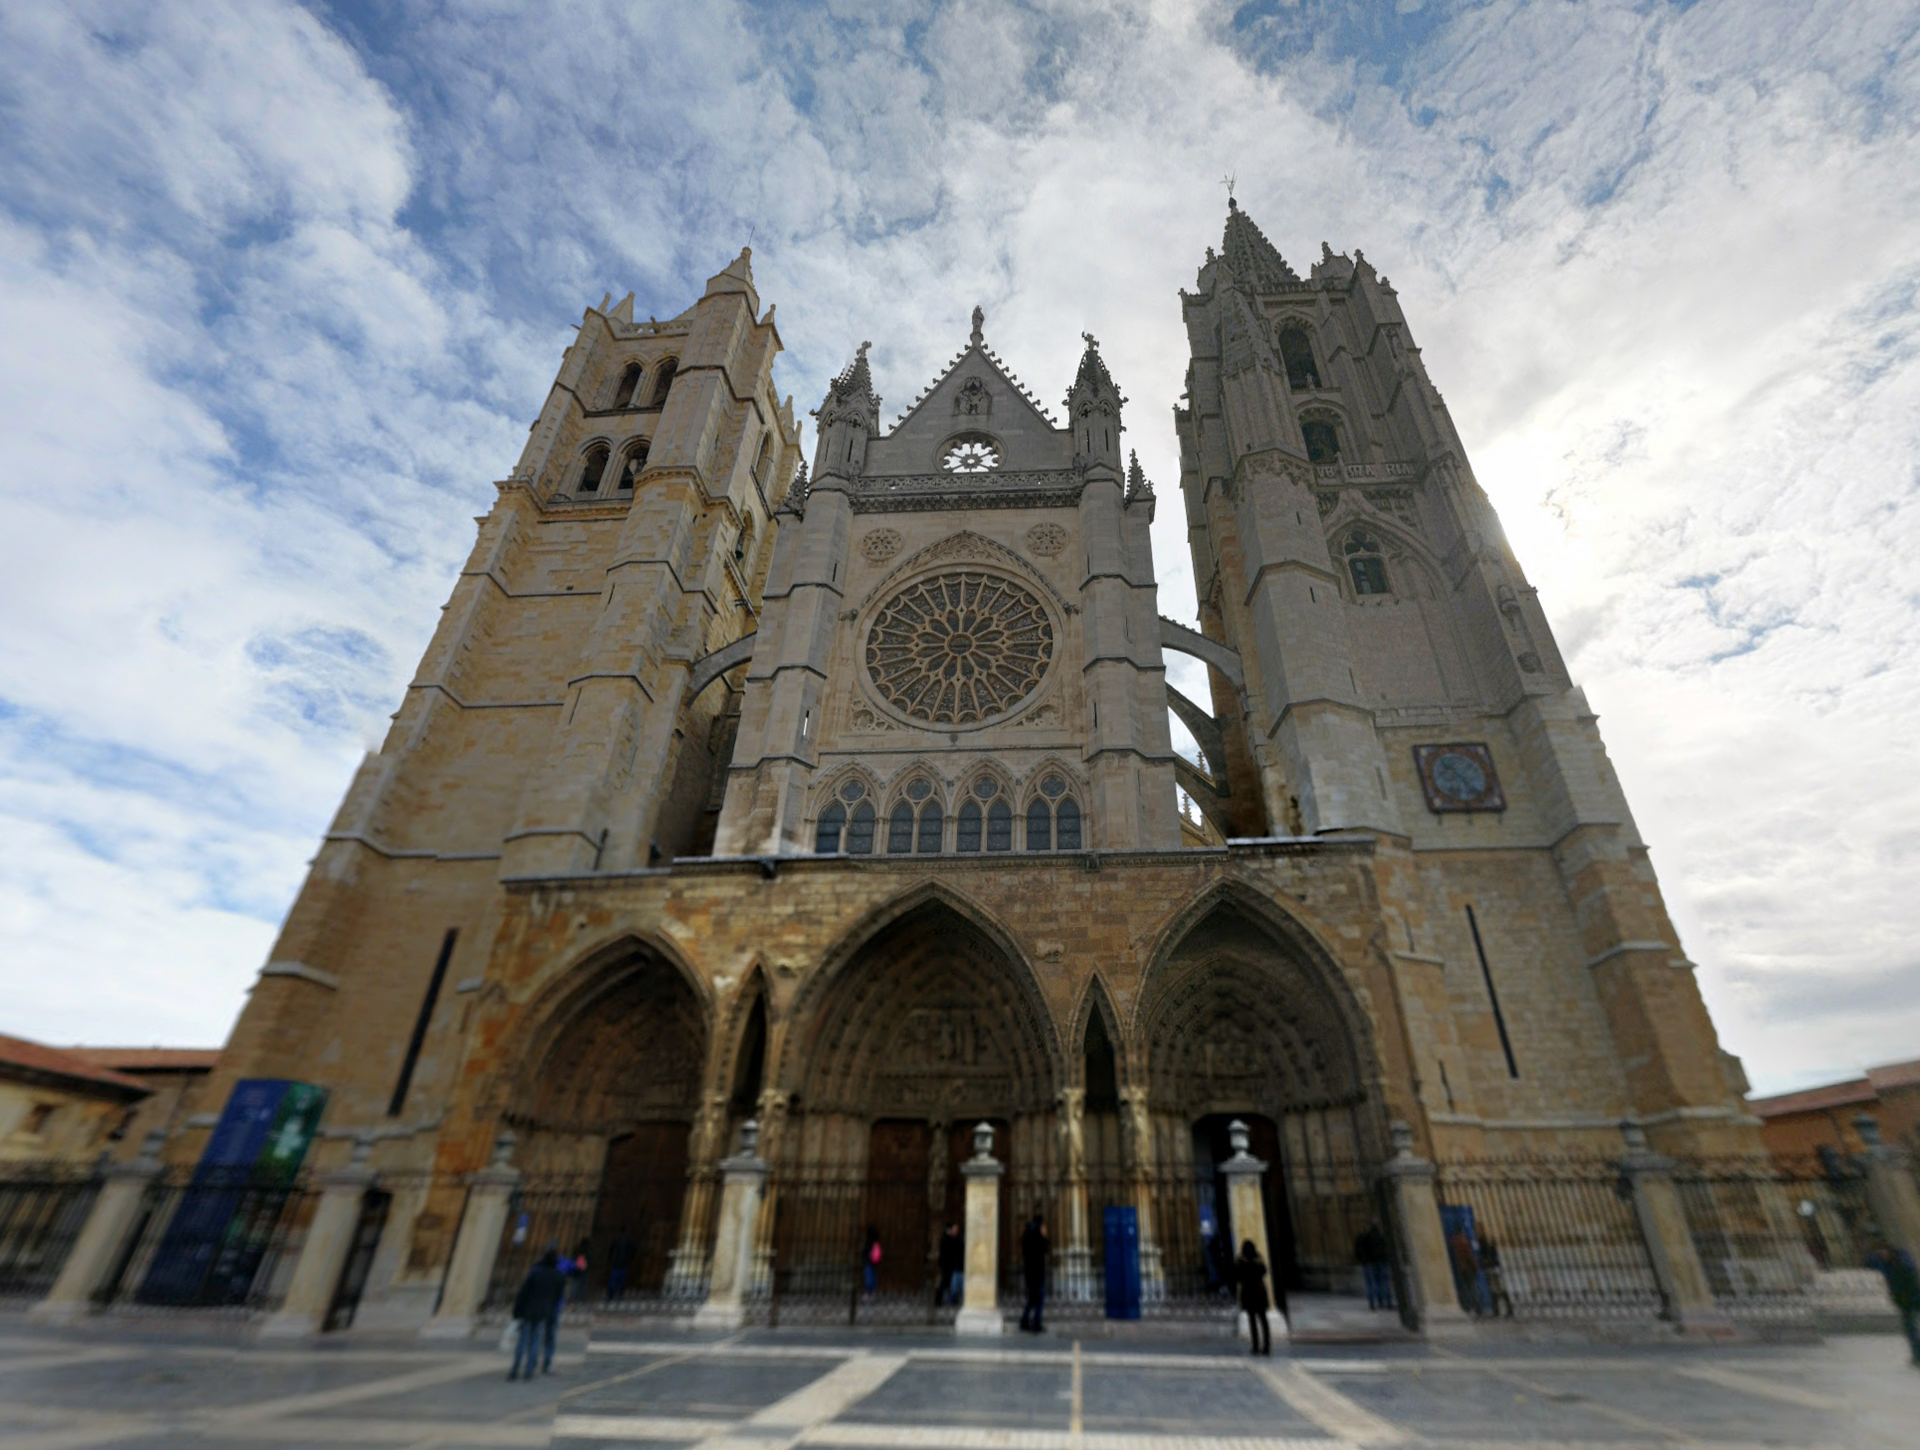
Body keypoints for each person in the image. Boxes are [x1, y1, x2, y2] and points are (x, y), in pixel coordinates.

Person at [509, 1249, 567, 1380]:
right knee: (536, 1340)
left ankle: (515, 1369)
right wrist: (551, 1311)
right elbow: (557, 1297)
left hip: (529, 1310)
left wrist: (517, 1311)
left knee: (523, 1341)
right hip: (544, 1312)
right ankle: (529, 1370)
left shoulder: (535, 1274)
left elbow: (523, 1294)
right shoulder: (559, 1277)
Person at [1866, 1240, 1920, 1365]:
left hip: (1913, 1301)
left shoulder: (1903, 1264)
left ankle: (1917, 1355)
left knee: (1912, 1329)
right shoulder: (1886, 1264)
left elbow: (1912, 1284)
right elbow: (1869, 1263)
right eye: (1880, 1254)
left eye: (1883, 1252)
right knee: (1910, 1330)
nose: (1882, 1255)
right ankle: (1917, 1356)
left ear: (1889, 1251)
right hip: (1903, 1303)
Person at [1236, 1239, 1272, 1355]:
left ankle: (1255, 1346)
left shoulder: (1241, 1261)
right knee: (1263, 1320)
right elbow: (1264, 1271)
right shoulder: (1259, 1260)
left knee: (1252, 1321)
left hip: (1248, 1293)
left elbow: (1237, 1276)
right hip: (1259, 1292)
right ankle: (1266, 1346)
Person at [1448, 1224, 1489, 1316]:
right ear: (1462, 1231)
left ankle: (1467, 1306)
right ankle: (1478, 1308)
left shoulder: (1454, 1241)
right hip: (1468, 1268)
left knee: (1465, 1288)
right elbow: (1468, 1255)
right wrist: (1475, 1265)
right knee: (1473, 1288)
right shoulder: (1463, 1241)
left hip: (1460, 1268)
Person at [1019, 1212, 1050, 1332]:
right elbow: (1045, 1249)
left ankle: (1024, 1321)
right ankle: (1036, 1324)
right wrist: (1045, 1236)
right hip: (1038, 1273)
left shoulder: (1027, 1234)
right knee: (1039, 1300)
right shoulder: (1038, 1236)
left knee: (1032, 1299)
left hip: (1029, 1273)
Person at [1354, 1220, 1394, 1310]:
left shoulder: (1366, 1237)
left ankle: (1375, 1303)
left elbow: (1362, 1250)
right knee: (1385, 1282)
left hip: (1371, 1262)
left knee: (1374, 1283)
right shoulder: (1382, 1236)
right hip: (1382, 1261)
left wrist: (1364, 1260)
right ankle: (1388, 1302)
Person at [1479, 1235, 1514, 1318]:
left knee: (1497, 1289)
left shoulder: (1487, 1247)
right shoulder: (1488, 1247)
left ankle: (1504, 1309)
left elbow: (1491, 1259)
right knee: (1495, 1290)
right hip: (1492, 1269)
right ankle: (1499, 1309)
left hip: (1492, 1269)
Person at [935, 1222, 964, 1307]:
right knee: (943, 1282)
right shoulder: (947, 1239)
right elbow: (945, 1254)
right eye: (955, 1229)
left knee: (950, 1283)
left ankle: (951, 1300)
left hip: (953, 1265)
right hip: (946, 1265)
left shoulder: (955, 1238)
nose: (956, 1231)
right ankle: (938, 1300)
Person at [606, 1227, 635, 1301]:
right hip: (624, 1262)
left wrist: (610, 1259)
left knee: (614, 1277)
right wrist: (630, 1259)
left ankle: (610, 1293)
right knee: (622, 1278)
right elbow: (632, 1251)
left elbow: (611, 1249)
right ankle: (619, 1293)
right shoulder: (629, 1239)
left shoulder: (616, 1238)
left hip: (616, 1261)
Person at [863, 1227, 882, 1298]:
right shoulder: (876, 1242)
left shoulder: (868, 1242)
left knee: (868, 1276)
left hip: (869, 1261)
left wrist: (864, 1258)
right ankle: (873, 1291)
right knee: (873, 1276)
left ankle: (868, 1292)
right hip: (875, 1262)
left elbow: (865, 1252)